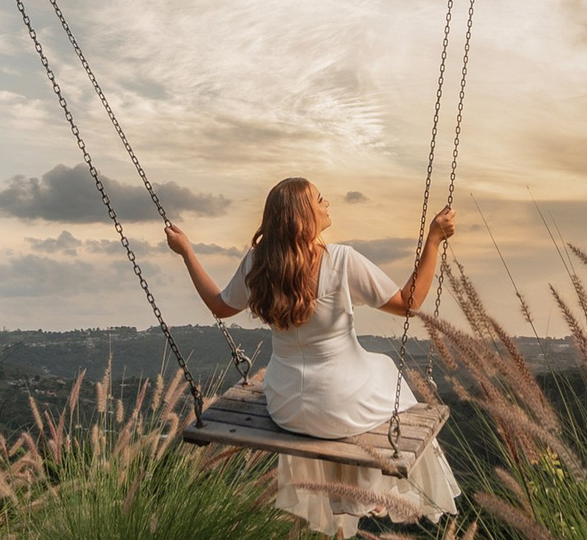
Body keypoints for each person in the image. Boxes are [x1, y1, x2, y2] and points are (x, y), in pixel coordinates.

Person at [164, 178, 456, 436]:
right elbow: (408, 303)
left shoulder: (258, 263)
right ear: (302, 215)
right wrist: (433, 239)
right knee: (385, 368)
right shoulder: (341, 260)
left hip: (285, 406)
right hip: (340, 406)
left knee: (375, 368)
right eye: (319, 199)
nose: (326, 203)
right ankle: (375, 497)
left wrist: (187, 252)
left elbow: (220, 306)